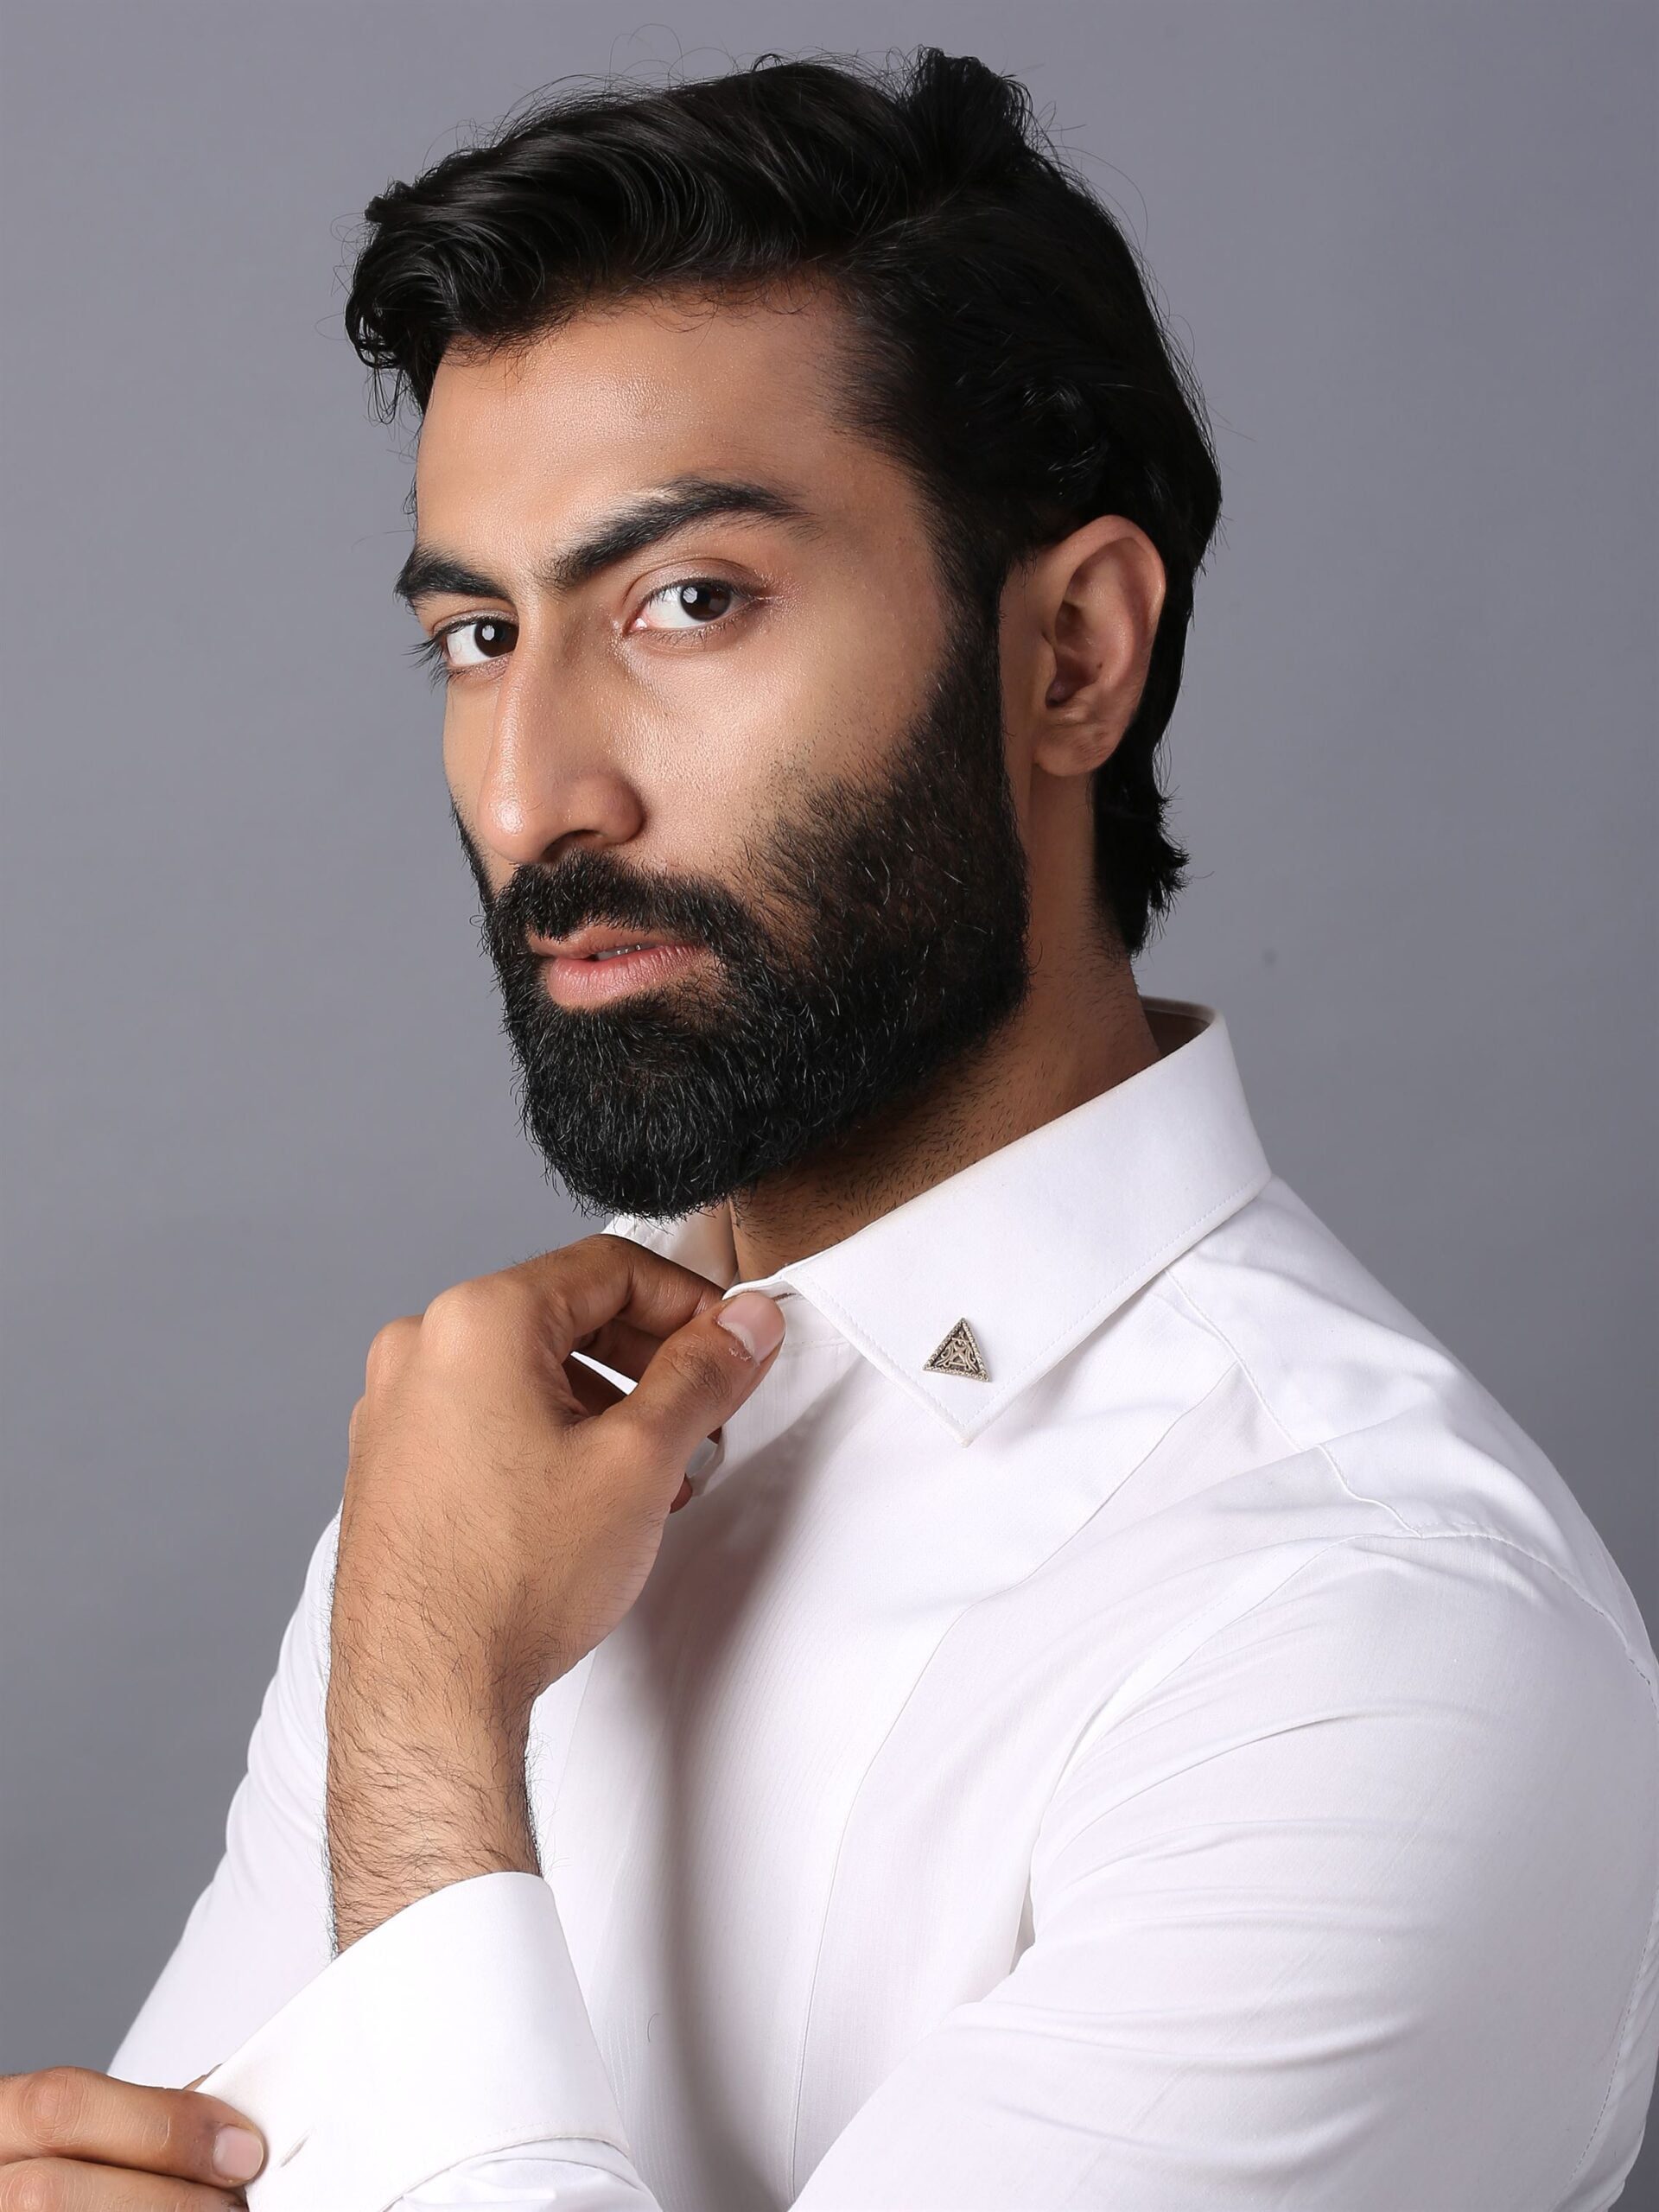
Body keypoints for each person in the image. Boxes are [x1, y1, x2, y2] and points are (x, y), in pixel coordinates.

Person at [6, 45, 1655, 2212]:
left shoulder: (1378, 1650)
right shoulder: (483, 1477)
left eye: (687, 602)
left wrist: (421, 1724)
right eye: (479, 635)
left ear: (1071, 655)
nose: (532, 793)